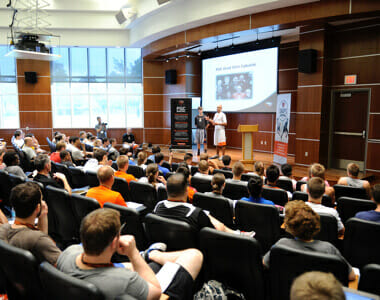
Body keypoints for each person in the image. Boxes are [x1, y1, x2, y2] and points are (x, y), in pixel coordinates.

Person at [57, 208, 203, 300]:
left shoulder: (67, 253)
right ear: (115, 242)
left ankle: (152, 254)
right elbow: (156, 292)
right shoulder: (126, 281)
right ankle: (152, 254)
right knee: (194, 255)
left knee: (132, 266)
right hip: (155, 294)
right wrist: (133, 253)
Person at [263, 200, 355, 281]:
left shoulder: (281, 244)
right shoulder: (328, 248)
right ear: (315, 224)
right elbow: (351, 276)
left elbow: (264, 264)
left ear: (290, 226)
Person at [154, 173, 253, 236]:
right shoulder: (194, 212)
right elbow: (218, 229)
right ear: (186, 190)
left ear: (166, 189)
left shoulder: (158, 206)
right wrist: (208, 216)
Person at [0, 182, 61, 264]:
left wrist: (42, 216)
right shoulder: (38, 240)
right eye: (41, 200)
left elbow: (40, 240)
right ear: (38, 207)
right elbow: (62, 265)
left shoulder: (3, 229)